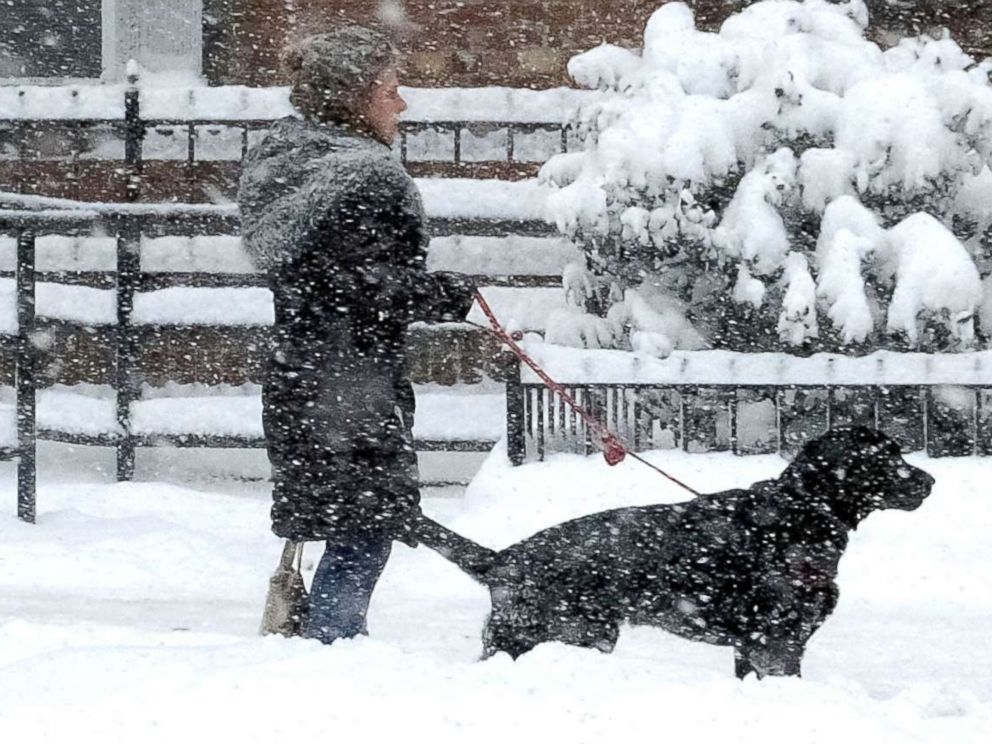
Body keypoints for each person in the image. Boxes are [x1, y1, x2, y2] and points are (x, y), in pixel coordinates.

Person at [238, 26, 476, 644]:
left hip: (301, 376)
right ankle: (332, 651)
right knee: (365, 529)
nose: (403, 103)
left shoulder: (285, 162)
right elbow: (358, 290)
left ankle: (325, 648)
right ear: (354, 97)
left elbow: (325, 282)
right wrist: (439, 293)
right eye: (391, 90)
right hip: (351, 387)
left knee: (347, 521)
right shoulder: (366, 178)